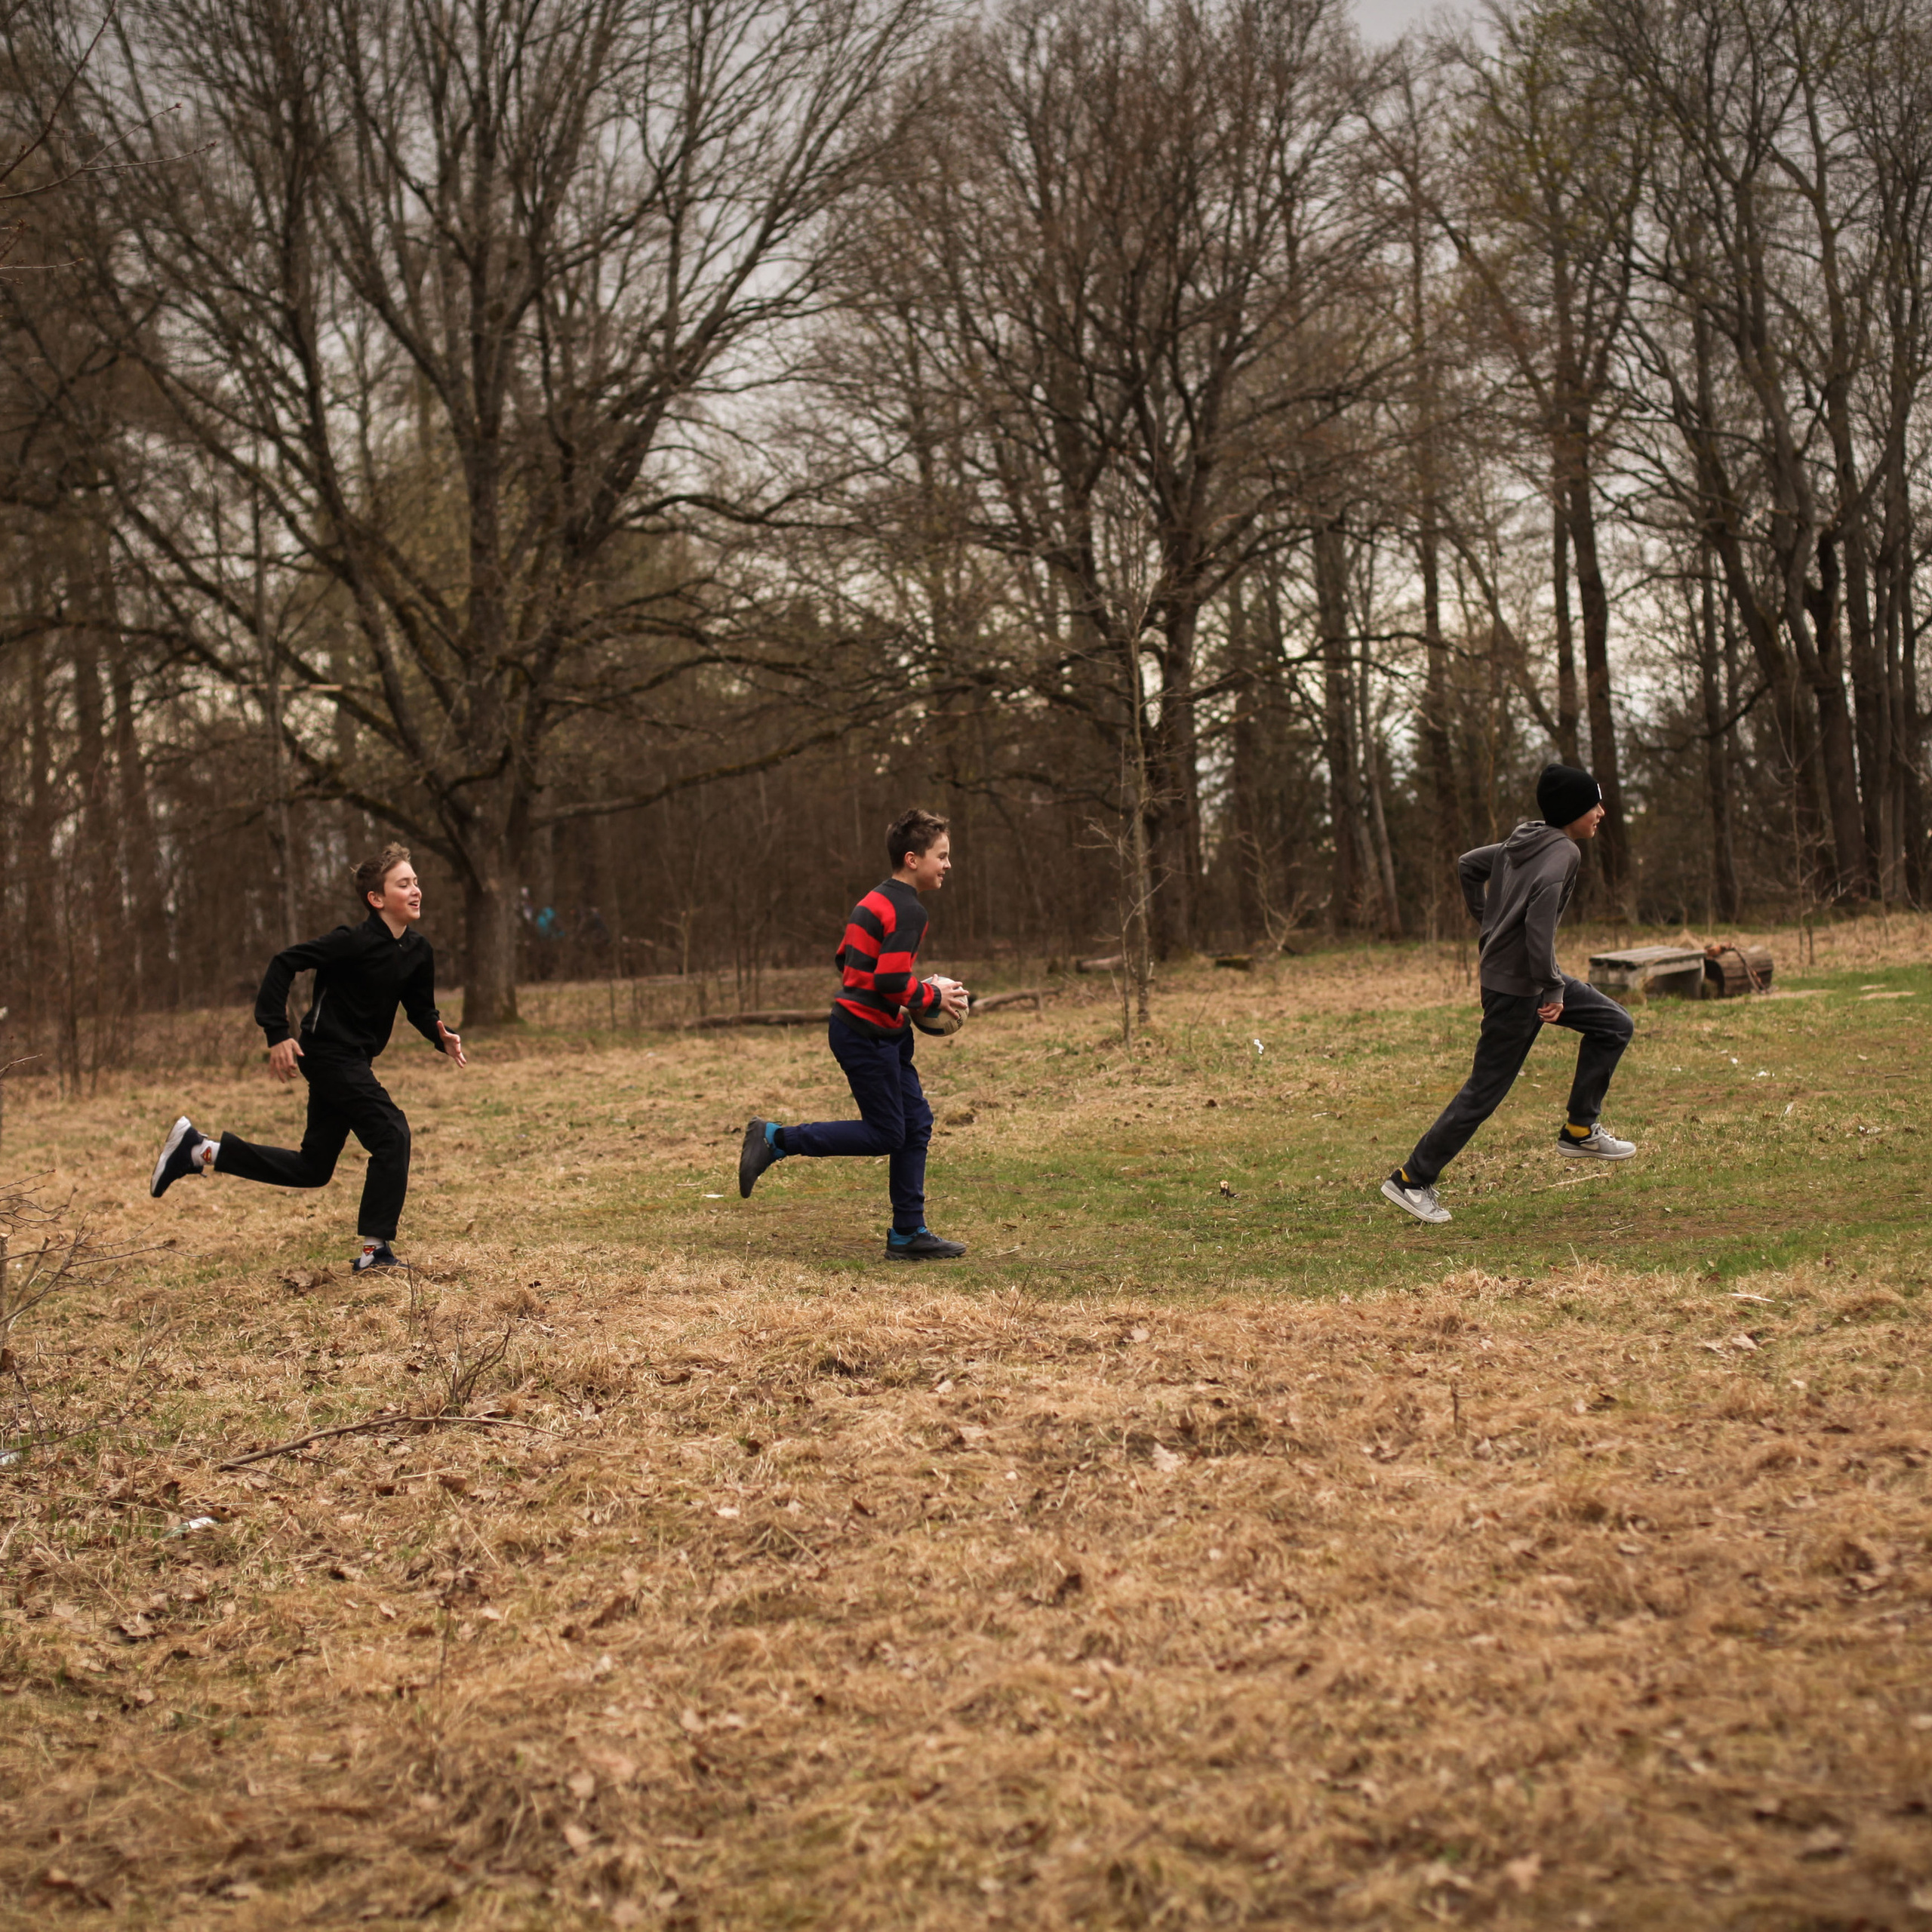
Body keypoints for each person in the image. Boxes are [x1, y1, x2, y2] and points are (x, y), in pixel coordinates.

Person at [147, 844, 466, 1270]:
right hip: (329, 1054)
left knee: (313, 1168)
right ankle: (374, 1253)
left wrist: (439, 1034)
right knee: (392, 1134)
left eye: (416, 882)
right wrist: (277, 1032)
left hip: (355, 1060)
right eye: (404, 884)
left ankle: (200, 1151)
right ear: (376, 898)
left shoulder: (417, 950)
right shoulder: (350, 942)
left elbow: (420, 1006)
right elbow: (284, 963)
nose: (416, 890)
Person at [1381, 764, 1636, 1226]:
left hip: (1524, 978)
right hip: (1520, 989)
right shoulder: (1563, 854)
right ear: (1572, 811)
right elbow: (1539, 928)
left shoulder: (1526, 841)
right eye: (1593, 804)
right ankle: (1411, 1179)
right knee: (1486, 1089)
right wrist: (1552, 985)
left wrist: (1489, 923)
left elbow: (1469, 865)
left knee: (1614, 1024)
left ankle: (1580, 1129)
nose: (1601, 812)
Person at [737, 808, 971, 1260]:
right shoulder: (910, 910)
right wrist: (930, 996)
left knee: (916, 1124)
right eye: (941, 856)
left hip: (881, 1032)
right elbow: (889, 980)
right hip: (865, 1036)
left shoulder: (873, 900)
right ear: (912, 859)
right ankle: (777, 1139)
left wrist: (902, 998)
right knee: (886, 1133)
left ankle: (908, 1233)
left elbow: (846, 961)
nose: (948, 865)